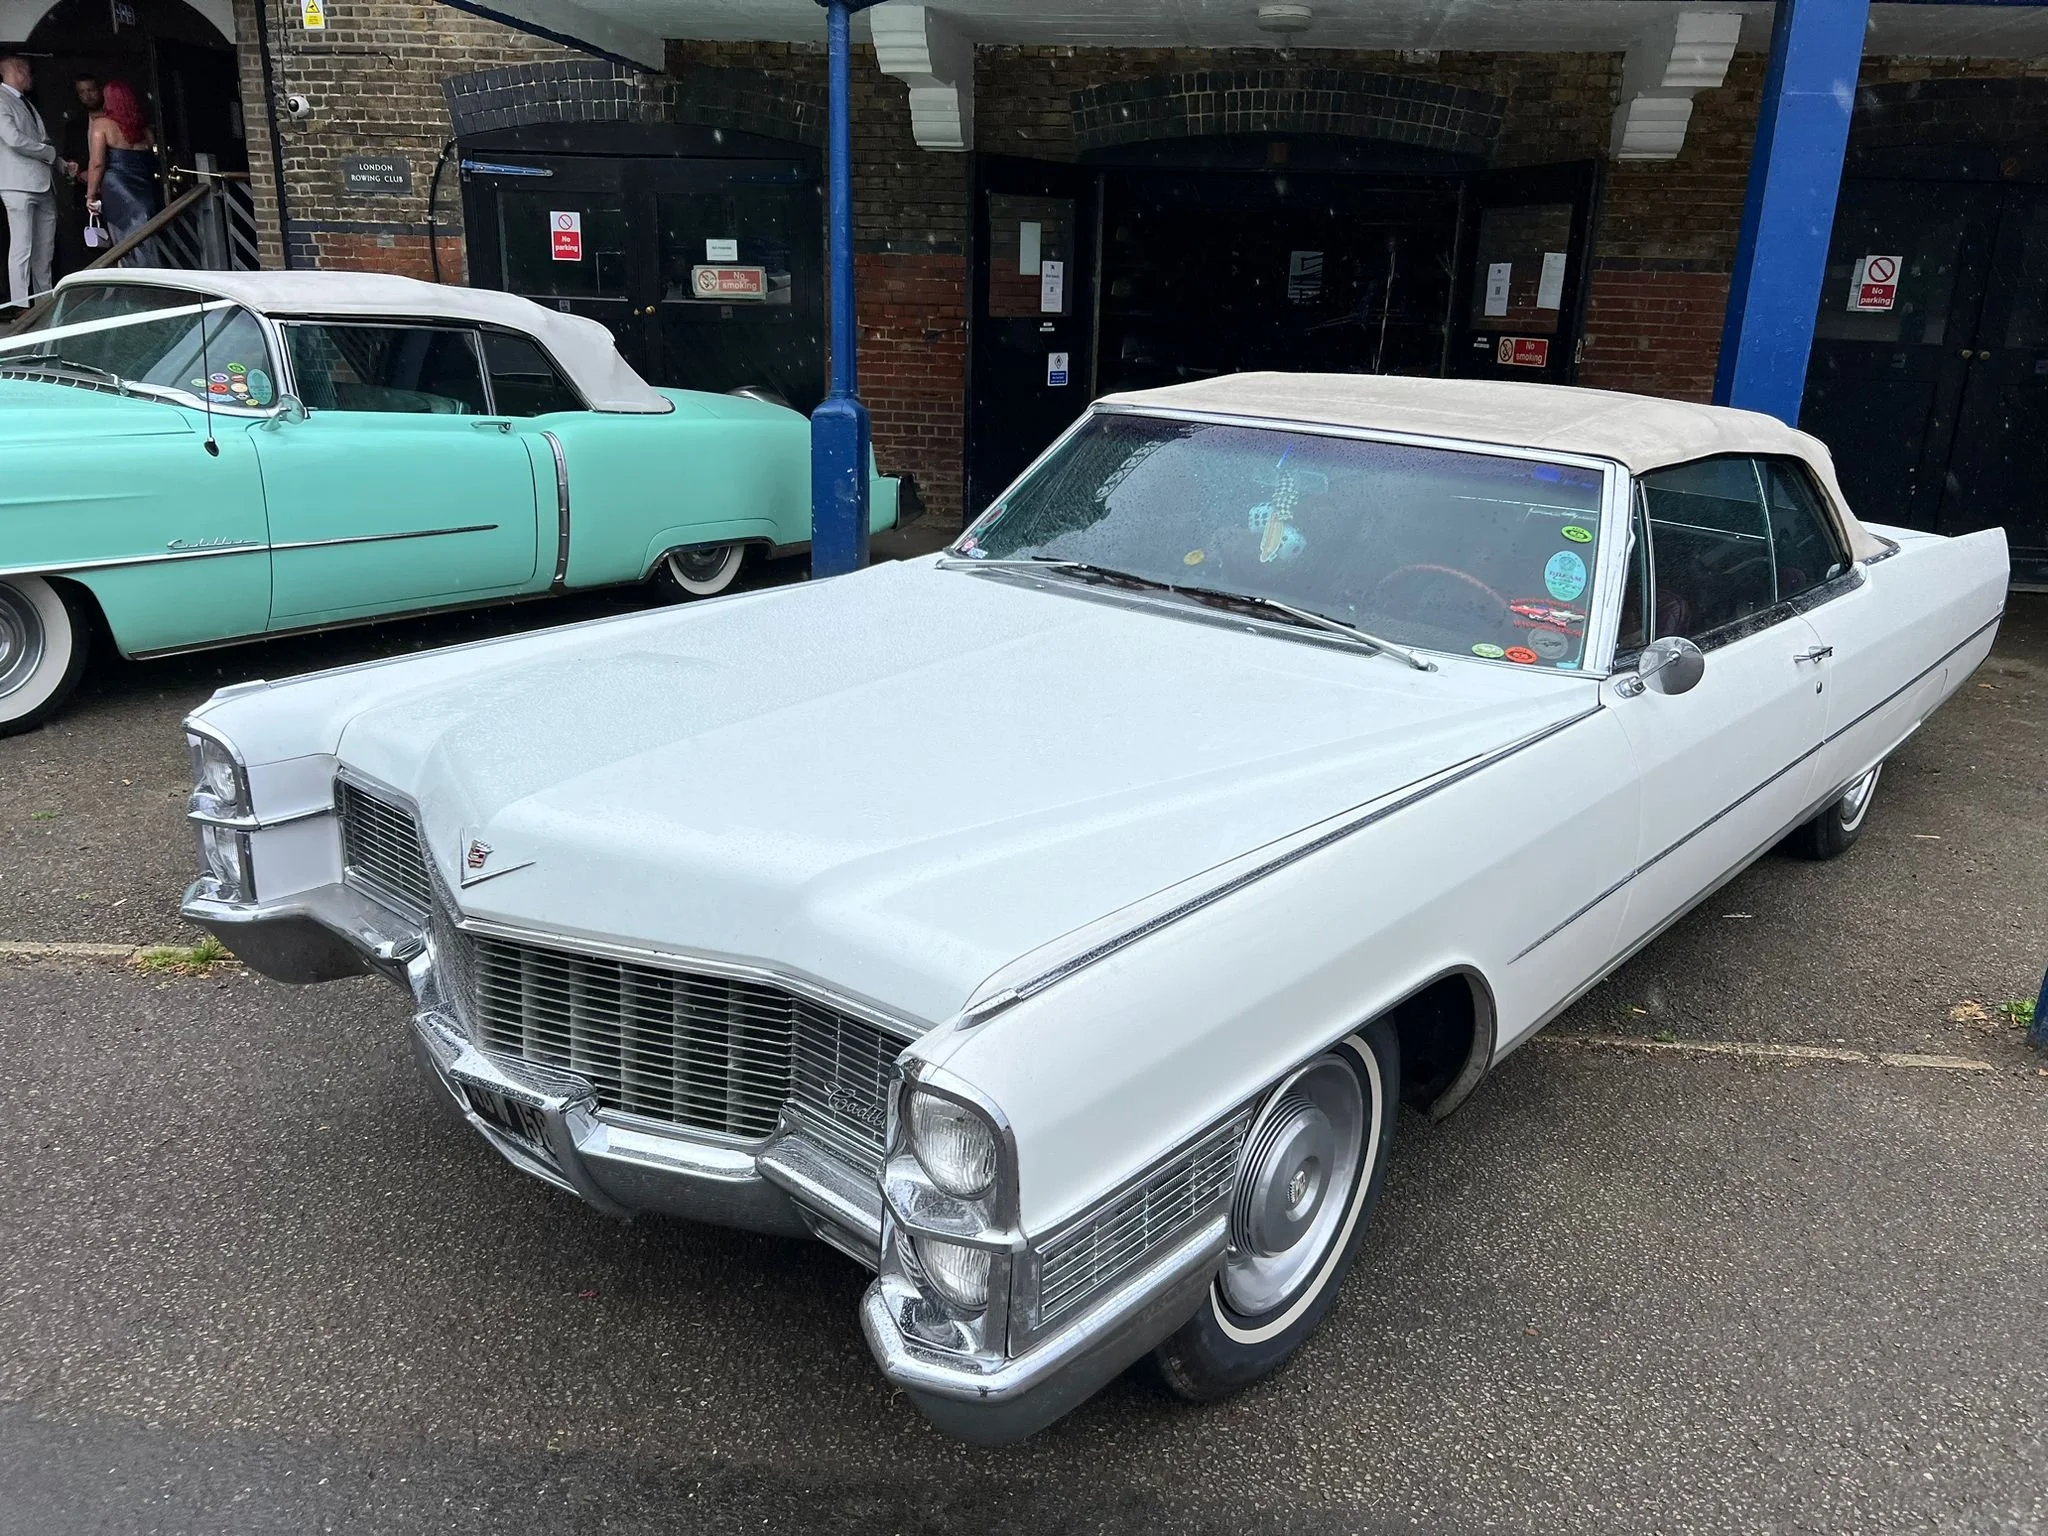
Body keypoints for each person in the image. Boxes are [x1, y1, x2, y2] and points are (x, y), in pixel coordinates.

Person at [0, 55, 78, 307]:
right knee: (22, 248)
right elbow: (13, 139)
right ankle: (22, 305)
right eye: (29, 73)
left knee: (45, 249)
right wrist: (49, 154)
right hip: (17, 184)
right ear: (19, 72)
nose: (31, 78)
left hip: (44, 184)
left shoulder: (27, 104)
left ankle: (44, 302)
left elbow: (44, 143)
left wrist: (62, 165)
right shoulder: (1, 100)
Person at [84, 79, 161, 265]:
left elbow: (96, 163)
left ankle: (131, 277)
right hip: (144, 187)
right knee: (146, 236)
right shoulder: (144, 129)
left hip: (116, 187)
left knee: (123, 240)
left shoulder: (101, 125)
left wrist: (91, 194)